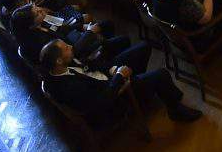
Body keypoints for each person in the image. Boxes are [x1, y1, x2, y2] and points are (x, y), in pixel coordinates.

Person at [40, 37, 201, 124]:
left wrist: (113, 69)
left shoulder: (64, 64)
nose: (70, 46)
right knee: (162, 74)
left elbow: (91, 65)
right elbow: (102, 102)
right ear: (58, 61)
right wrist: (119, 77)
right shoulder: (69, 87)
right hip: (114, 94)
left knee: (144, 47)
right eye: (66, 48)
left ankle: (143, 90)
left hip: (109, 77)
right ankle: (175, 110)